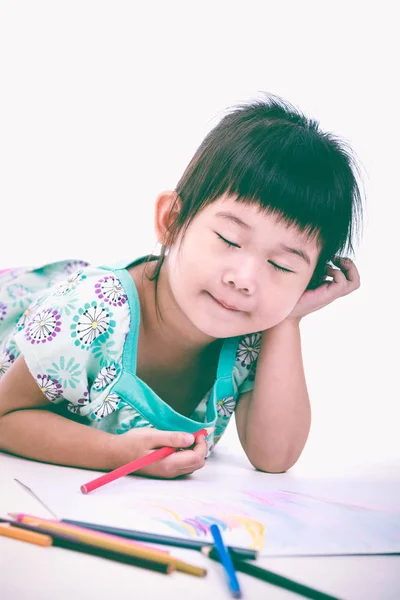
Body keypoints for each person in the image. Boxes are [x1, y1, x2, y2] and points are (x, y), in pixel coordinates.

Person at [0, 93, 363, 479]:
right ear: (172, 220)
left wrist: (288, 321)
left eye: (281, 265)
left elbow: (274, 457)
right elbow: (6, 415)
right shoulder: (92, 313)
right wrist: (116, 454)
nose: (244, 279)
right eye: (228, 240)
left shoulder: (252, 336)